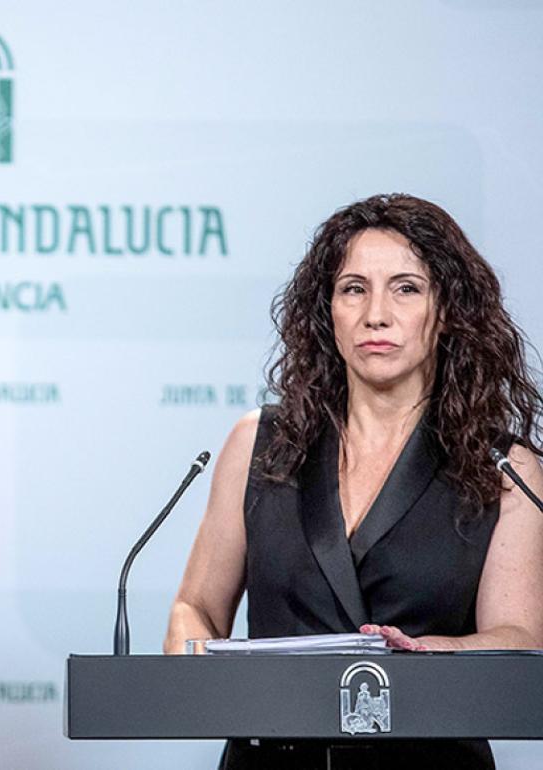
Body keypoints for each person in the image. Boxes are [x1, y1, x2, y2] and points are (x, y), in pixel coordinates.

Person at [164, 194, 543, 769]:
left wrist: (429, 653)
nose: (376, 315)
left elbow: (519, 636)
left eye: (406, 288)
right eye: (354, 289)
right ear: (328, 313)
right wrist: (188, 646)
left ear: (447, 311)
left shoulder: (505, 467)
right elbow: (197, 606)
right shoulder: (259, 443)